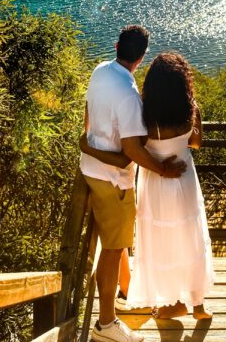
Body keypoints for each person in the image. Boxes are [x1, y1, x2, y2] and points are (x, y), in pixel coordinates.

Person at [82, 50, 213, 320]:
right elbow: (196, 143)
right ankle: (197, 303)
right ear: (183, 82)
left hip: (156, 181)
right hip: (185, 177)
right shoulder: (191, 109)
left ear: (152, 84)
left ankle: (171, 303)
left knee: (162, 241)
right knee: (190, 235)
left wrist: (87, 145)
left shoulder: (145, 115)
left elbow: (132, 149)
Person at [81, 25, 187, 342]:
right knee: (113, 250)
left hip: (92, 172)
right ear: (140, 58)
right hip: (113, 181)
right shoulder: (128, 95)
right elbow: (132, 150)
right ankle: (106, 323)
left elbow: (88, 113)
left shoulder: (101, 71)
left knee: (119, 242)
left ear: (116, 46)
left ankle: (125, 297)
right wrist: (164, 170)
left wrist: (89, 143)